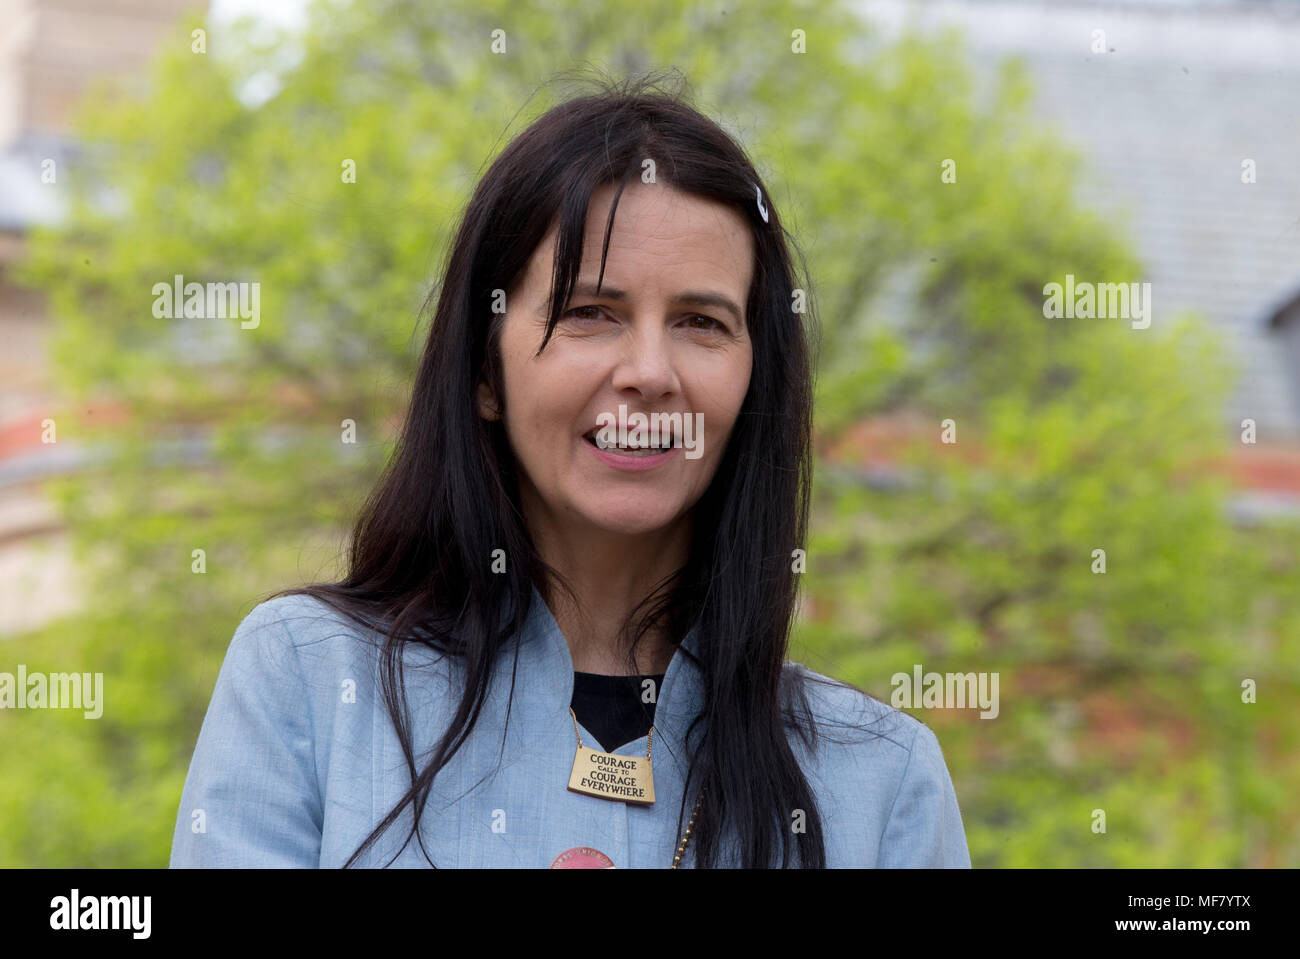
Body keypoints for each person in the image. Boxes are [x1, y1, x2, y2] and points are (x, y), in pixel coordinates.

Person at [168, 78, 971, 869]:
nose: (650, 371)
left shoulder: (882, 783)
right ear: (487, 371)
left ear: (755, 382)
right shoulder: (308, 681)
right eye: (592, 313)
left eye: (701, 322)